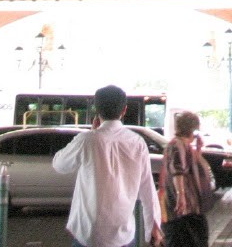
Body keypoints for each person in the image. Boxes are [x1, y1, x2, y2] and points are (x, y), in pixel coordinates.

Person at [52, 84, 162, 247]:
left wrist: (90, 132)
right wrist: (152, 227)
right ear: (124, 110)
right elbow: (147, 187)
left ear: (96, 109)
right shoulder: (137, 143)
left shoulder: (87, 140)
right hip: (123, 234)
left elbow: (59, 165)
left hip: (88, 233)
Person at [160, 110, 211, 247]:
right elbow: (178, 171)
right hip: (183, 211)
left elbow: (189, 169)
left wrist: (198, 149)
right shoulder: (176, 145)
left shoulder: (184, 146)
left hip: (190, 209)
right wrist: (180, 195)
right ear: (193, 129)